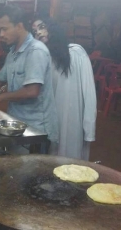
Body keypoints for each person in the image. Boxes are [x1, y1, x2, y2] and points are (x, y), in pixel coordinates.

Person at [0, 5, 58, 151]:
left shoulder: (35, 51)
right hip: (17, 124)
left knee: (29, 172)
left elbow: (32, 91)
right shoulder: (13, 52)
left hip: (36, 130)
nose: (1, 34)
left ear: (19, 26)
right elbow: (0, 78)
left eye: (4, 29)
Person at [32, 17, 97, 160]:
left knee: (71, 162)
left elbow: (89, 92)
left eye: (42, 27)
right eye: (35, 31)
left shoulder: (76, 52)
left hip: (73, 119)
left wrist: (89, 127)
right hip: (51, 121)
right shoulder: (43, 57)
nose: (39, 33)